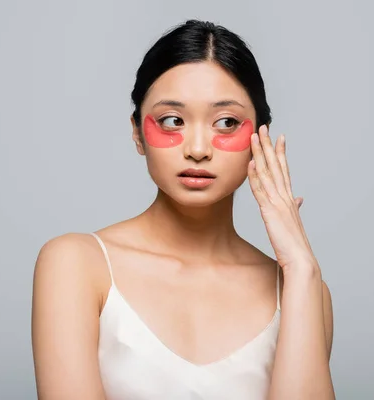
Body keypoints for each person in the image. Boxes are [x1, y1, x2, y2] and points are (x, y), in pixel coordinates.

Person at [31, 19, 335, 400]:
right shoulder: (76, 264)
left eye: (226, 122)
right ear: (137, 133)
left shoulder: (304, 292)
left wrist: (302, 268)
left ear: (261, 137)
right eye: (172, 120)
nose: (197, 148)